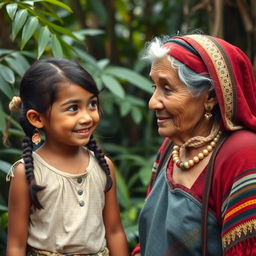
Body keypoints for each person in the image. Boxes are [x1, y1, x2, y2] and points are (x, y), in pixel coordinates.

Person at [132, 33, 256, 256]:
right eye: (154, 88)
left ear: (209, 96)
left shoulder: (242, 155)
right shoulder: (172, 147)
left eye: (167, 89)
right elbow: (149, 241)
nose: (152, 103)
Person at [6, 58, 129, 256]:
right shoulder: (27, 173)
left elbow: (114, 232)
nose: (87, 117)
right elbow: (16, 245)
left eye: (92, 104)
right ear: (37, 118)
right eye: (73, 108)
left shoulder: (103, 166)